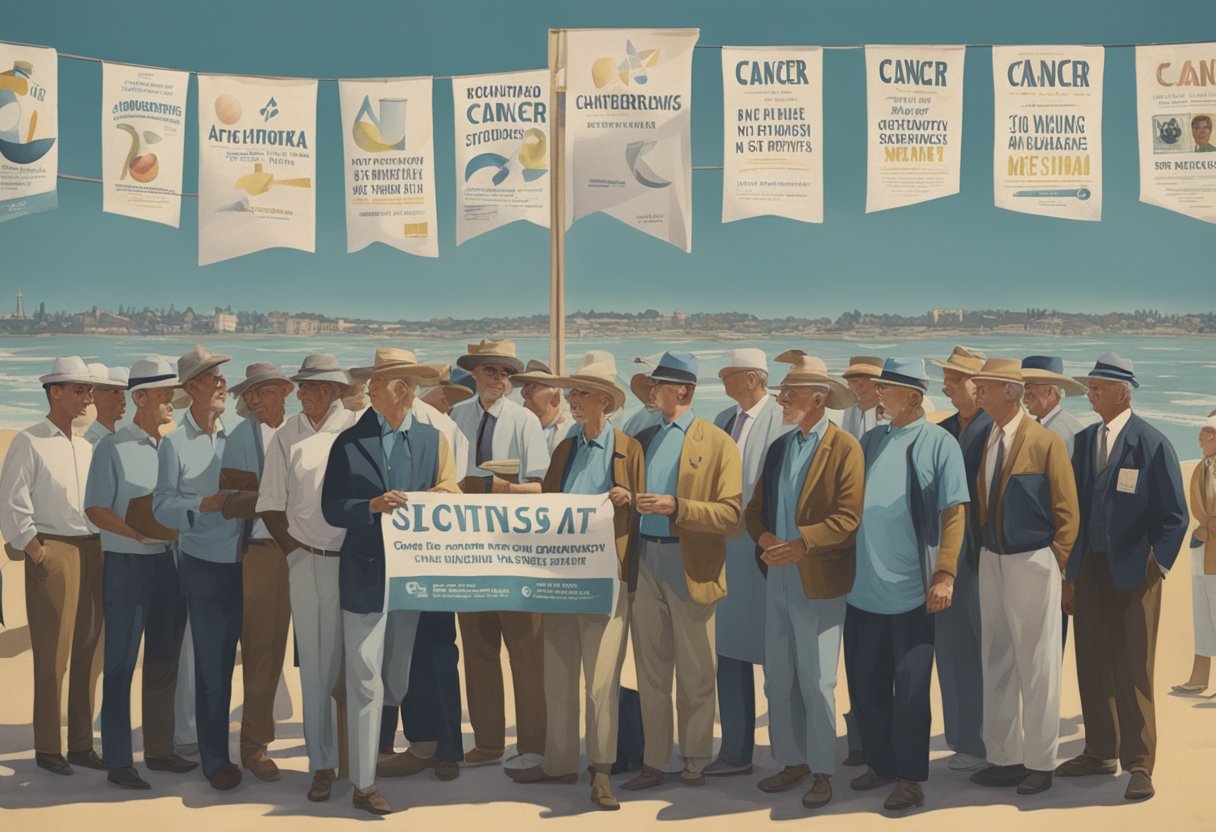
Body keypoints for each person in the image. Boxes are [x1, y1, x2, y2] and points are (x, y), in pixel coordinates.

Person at [321, 347, 459, 815]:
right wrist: (370, 507)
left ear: (404, 389)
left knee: (395, 678)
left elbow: (451, 490)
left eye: (379, 381)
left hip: (411, 578)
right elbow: (331, 507)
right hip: (363, 574)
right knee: (365, 679)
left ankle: (376, 761)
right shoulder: (348, 442)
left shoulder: (433, 440)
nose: (370, 387)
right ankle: (363, 784)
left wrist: (442, 495)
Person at [509, 352, 644, 810]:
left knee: (601, 683)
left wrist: (630, 498)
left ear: (605, 401)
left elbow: (644, 507)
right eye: (572, 392)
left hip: (606, 581)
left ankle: (601, 771)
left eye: (582, 393)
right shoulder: (566, 447)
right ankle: (560, 761)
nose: (573, 399)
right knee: (559, 675)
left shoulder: (628, 448)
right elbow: (548, 505)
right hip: (563, 579)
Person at [1056, 353, 1189, 801]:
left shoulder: (1152, 443)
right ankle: (1100, 751)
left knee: (1134, 668)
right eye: (1090, 387)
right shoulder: (1083, 442)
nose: (1090, 394)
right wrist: (1070, 575)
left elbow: (1175, 516)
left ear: (1122, 392)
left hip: (1136, 574)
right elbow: (1074, 512)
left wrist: (1156, 565)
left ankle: (1140, 764)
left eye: (1097, 388)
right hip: (1089, 570)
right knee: (1092, 663)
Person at [844, 358, 969, 812]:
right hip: (862, 589)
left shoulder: (939, 443)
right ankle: (880, 764)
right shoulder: (871, 440)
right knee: (865, 685)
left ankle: (911, 779)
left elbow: (955, 512)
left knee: (912, 691)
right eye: (878, 388)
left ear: (914, 397)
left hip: (913, 591)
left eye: (887, 389)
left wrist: (945, 574)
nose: (878, 395)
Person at [745, 354, 863, 810]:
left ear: (818, 399)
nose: (781, 400)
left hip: (818, 582)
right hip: (776, 578)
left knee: (817, 681)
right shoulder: (780, 448)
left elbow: (848, 519)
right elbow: (754, 511)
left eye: (789, 394)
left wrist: (801, 544)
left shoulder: (845, 448)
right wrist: (766, 539)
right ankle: (791, 761)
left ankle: (822, 771)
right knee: (778, 679)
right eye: (781, 393)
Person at [621, 351, 743, 790]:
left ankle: (694, 758)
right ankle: (655, 761)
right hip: (644, 561)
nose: (653, 392)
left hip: (691, 564)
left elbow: (732, 516)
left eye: (660, 385)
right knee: (650, 669)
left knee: (696, 670)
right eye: (652, 385)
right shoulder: (641, 438)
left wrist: (677, 506)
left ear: (684, 391)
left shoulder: (717, 443)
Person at [967, 359, 1079, 795]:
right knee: (996, 658)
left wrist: (1052, 559)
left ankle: (1040, 762)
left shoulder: (1046, 442)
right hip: (991, 559)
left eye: (984, 389)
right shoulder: (989, 438)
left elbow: (1067, 512)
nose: (978, 396)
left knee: (1038, 665)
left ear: (1010, 392)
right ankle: (1005, 758)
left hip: (1032, 561)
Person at [85, 359, 194, 789]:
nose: (172, 402)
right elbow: (95, 508)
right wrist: (135, 533)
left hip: (169, 563)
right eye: (164, 394)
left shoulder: (172, 447)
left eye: (173, 394)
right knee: (120, 663)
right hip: (127, 566)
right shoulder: (112, 448)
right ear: (140, 398)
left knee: (164, 659)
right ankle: (117, 760)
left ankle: (160, 750)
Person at [257, 353, 357, 801]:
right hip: (305, 563)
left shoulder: (357, 428)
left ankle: (358, 763)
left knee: (356, 666)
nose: (301, 394)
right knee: (315, 666)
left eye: (310, 386)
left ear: (332, 390)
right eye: (300, 386)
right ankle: (321, 765)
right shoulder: (287, 436)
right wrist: (296, 552)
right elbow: (269, 504)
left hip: (353, 562)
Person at [448, 338, 551, 769]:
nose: (500, 380)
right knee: (478, 649)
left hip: (517, 554)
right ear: (474, 373)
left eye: (506, 373)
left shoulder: (525, 421)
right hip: (469, 551)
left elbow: (543, 488)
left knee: (526, 652)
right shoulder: (455, 417)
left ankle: (534, 745)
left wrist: (492, 488)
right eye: (491, 371)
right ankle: (488, 742)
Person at [0, 356, 105, 775]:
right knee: (52, 654)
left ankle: (80, 744)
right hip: (54, 550)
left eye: (89, 390)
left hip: (93, 549)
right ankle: (47, 747)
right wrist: (34, 547)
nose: (88, 398)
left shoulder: (86, 445)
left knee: (87, 651)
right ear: (54, 393)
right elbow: (12, 501)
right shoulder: (29, 441)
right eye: (79, 390)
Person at [153, 345, 244, 790]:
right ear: (191, 388)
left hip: (245, 562)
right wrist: (200, 505)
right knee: (211, 668)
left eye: (222, 377)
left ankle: (246, 749)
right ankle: (215, 761)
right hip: (203, 564)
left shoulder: (238, 436)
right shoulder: (173, 444)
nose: (222, 384)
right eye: (212, 378)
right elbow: (161, 506)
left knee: (238, 665)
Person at [706, 348, 791, 777]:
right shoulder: (722, 420)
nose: (723, 380)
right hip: (726, 554)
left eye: (729, 374)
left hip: (767, 552)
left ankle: (789, 753)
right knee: (728, 653)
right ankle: (736, 751)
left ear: (754, 379)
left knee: (778, 656)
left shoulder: (783, 418)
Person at [218, 362, 296, 782]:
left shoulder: (304, 432)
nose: (254, 400)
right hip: (263, 551)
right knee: (262, 651)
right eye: (249, 394)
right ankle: (254, 745)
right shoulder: (238, 440)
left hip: (313, 550)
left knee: (319, 649)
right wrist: (275, 501)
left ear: (284, 392)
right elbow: (230, 501)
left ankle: (331, 743)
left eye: (263, 391)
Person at [928, 344, 991, 772]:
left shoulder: (995, 430)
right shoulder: (943, 430)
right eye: (946, 379)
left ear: (977, 384)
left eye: (954, 379)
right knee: (949, 651)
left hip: (984, 558)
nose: (946, 386)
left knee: (981, 651)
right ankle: (961, 739)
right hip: (946, 556)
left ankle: (984, 740)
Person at [1174, 417, 1216, 694]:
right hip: (1202, 549)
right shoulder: (1202, 467)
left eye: (1205, 433)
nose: (1199, 438)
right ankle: (1200, 677)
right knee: (1202, 615)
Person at [1021, 356, 1087, 454]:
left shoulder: (1065, 431)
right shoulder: (1038, 426)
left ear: (1051, 393)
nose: (1024, 400)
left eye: (1030, 391)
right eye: (1025, 392)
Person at [514, 359, 574, 453]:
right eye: (525, 386)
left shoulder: (572, 431)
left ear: (555, 398)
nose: (524, 393)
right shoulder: (520, 429)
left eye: (534, 387)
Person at [839, 355, 885, 440]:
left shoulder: (891, 413)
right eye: (849, 383)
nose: (852, 388)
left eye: (855, 382)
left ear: (877, 384)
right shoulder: (850, 408)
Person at [84, 364, 130, 446]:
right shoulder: (91, 441)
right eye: (115, 392)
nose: (123, 402)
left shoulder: (118, 438)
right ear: (94, 395)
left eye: (123, 393)